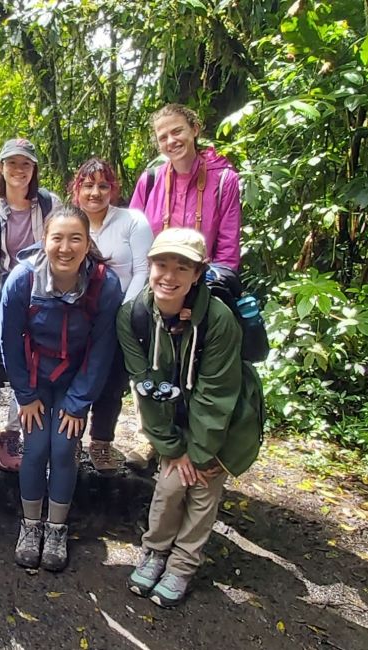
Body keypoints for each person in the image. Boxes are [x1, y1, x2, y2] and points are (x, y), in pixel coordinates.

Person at [117, 228, 261, 607]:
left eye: (182, 267)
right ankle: (156, 551)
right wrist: (170, 448)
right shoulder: (132, 316)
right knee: (169, 486)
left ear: (198, 274)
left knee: (203, 487)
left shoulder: (218, 320)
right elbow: (145, 385)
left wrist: (200, 454)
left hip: (224, 420)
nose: (169, 275)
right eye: (161, 264)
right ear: (149, 266)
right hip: (171, 416)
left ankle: (182, 564)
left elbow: (217, 394)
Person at [0, 205, 122, 572]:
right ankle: (30, 525)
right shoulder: (23, 279)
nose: (65, 248)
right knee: (36, 448)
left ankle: (56, 529)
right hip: (37, 377)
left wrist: (79, 402)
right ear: (44, 241)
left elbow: (102, 348)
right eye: (57, 238)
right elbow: (9, 340)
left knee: (65, 447)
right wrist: (25, 394)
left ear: (88, 244)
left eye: (75, 239)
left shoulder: (104, 284)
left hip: (77, 377)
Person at [125, 103, 243, 470]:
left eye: (177, 131)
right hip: (157, 288)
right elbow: (135, 231)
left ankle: (199, 447)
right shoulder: (151, 180)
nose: (171, 140)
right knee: (156, 365)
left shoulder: (224, 179)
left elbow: (227, 247)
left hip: (200, 287)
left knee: (193, 370)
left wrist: (198, 287)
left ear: (194, 128)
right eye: (163, 136)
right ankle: (160, 442)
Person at [0, 138, 61, 473]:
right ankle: (12, 431)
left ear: (33, 168)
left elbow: (62, 247)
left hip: (49, 288)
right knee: (15, 341)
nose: (18, 170)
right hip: (7, 290)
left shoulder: (50, 204)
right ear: (2, 168)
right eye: (12, 164)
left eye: (25, 164)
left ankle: (40, 426)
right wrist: (8, 293)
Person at [69, 158, 153, 472]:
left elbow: (143, 270)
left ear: (113, 189)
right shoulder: (69, 220)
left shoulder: (132, 221)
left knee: (111, 381)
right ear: (76, 189)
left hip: (122, 315)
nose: (95, 192)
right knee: (74, 377)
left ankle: (101, 442)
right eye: (88, 185)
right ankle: (71, 440)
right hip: (77, 315)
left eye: (103, 185)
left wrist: (122, 314)